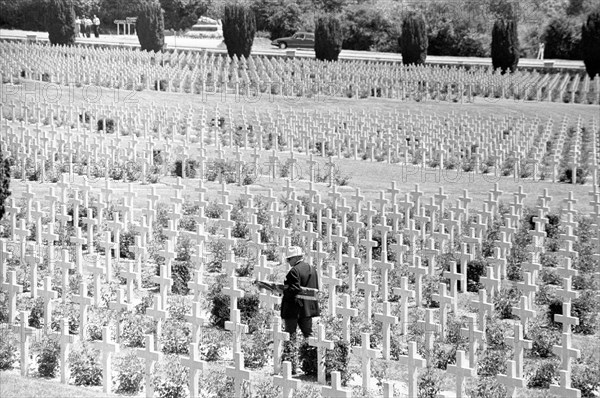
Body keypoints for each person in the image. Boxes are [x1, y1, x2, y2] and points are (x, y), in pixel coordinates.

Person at [280, 246, 320, 340]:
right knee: (308, 335)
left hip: (294, 310)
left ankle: (290, 354)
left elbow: (293, 290)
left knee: (290, 336)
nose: (288, 262)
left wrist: (281, 290)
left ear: (296, 257)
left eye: (289, 259)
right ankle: (310, 354)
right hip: (307, 309)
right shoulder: (312, 268)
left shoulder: (294, 271)